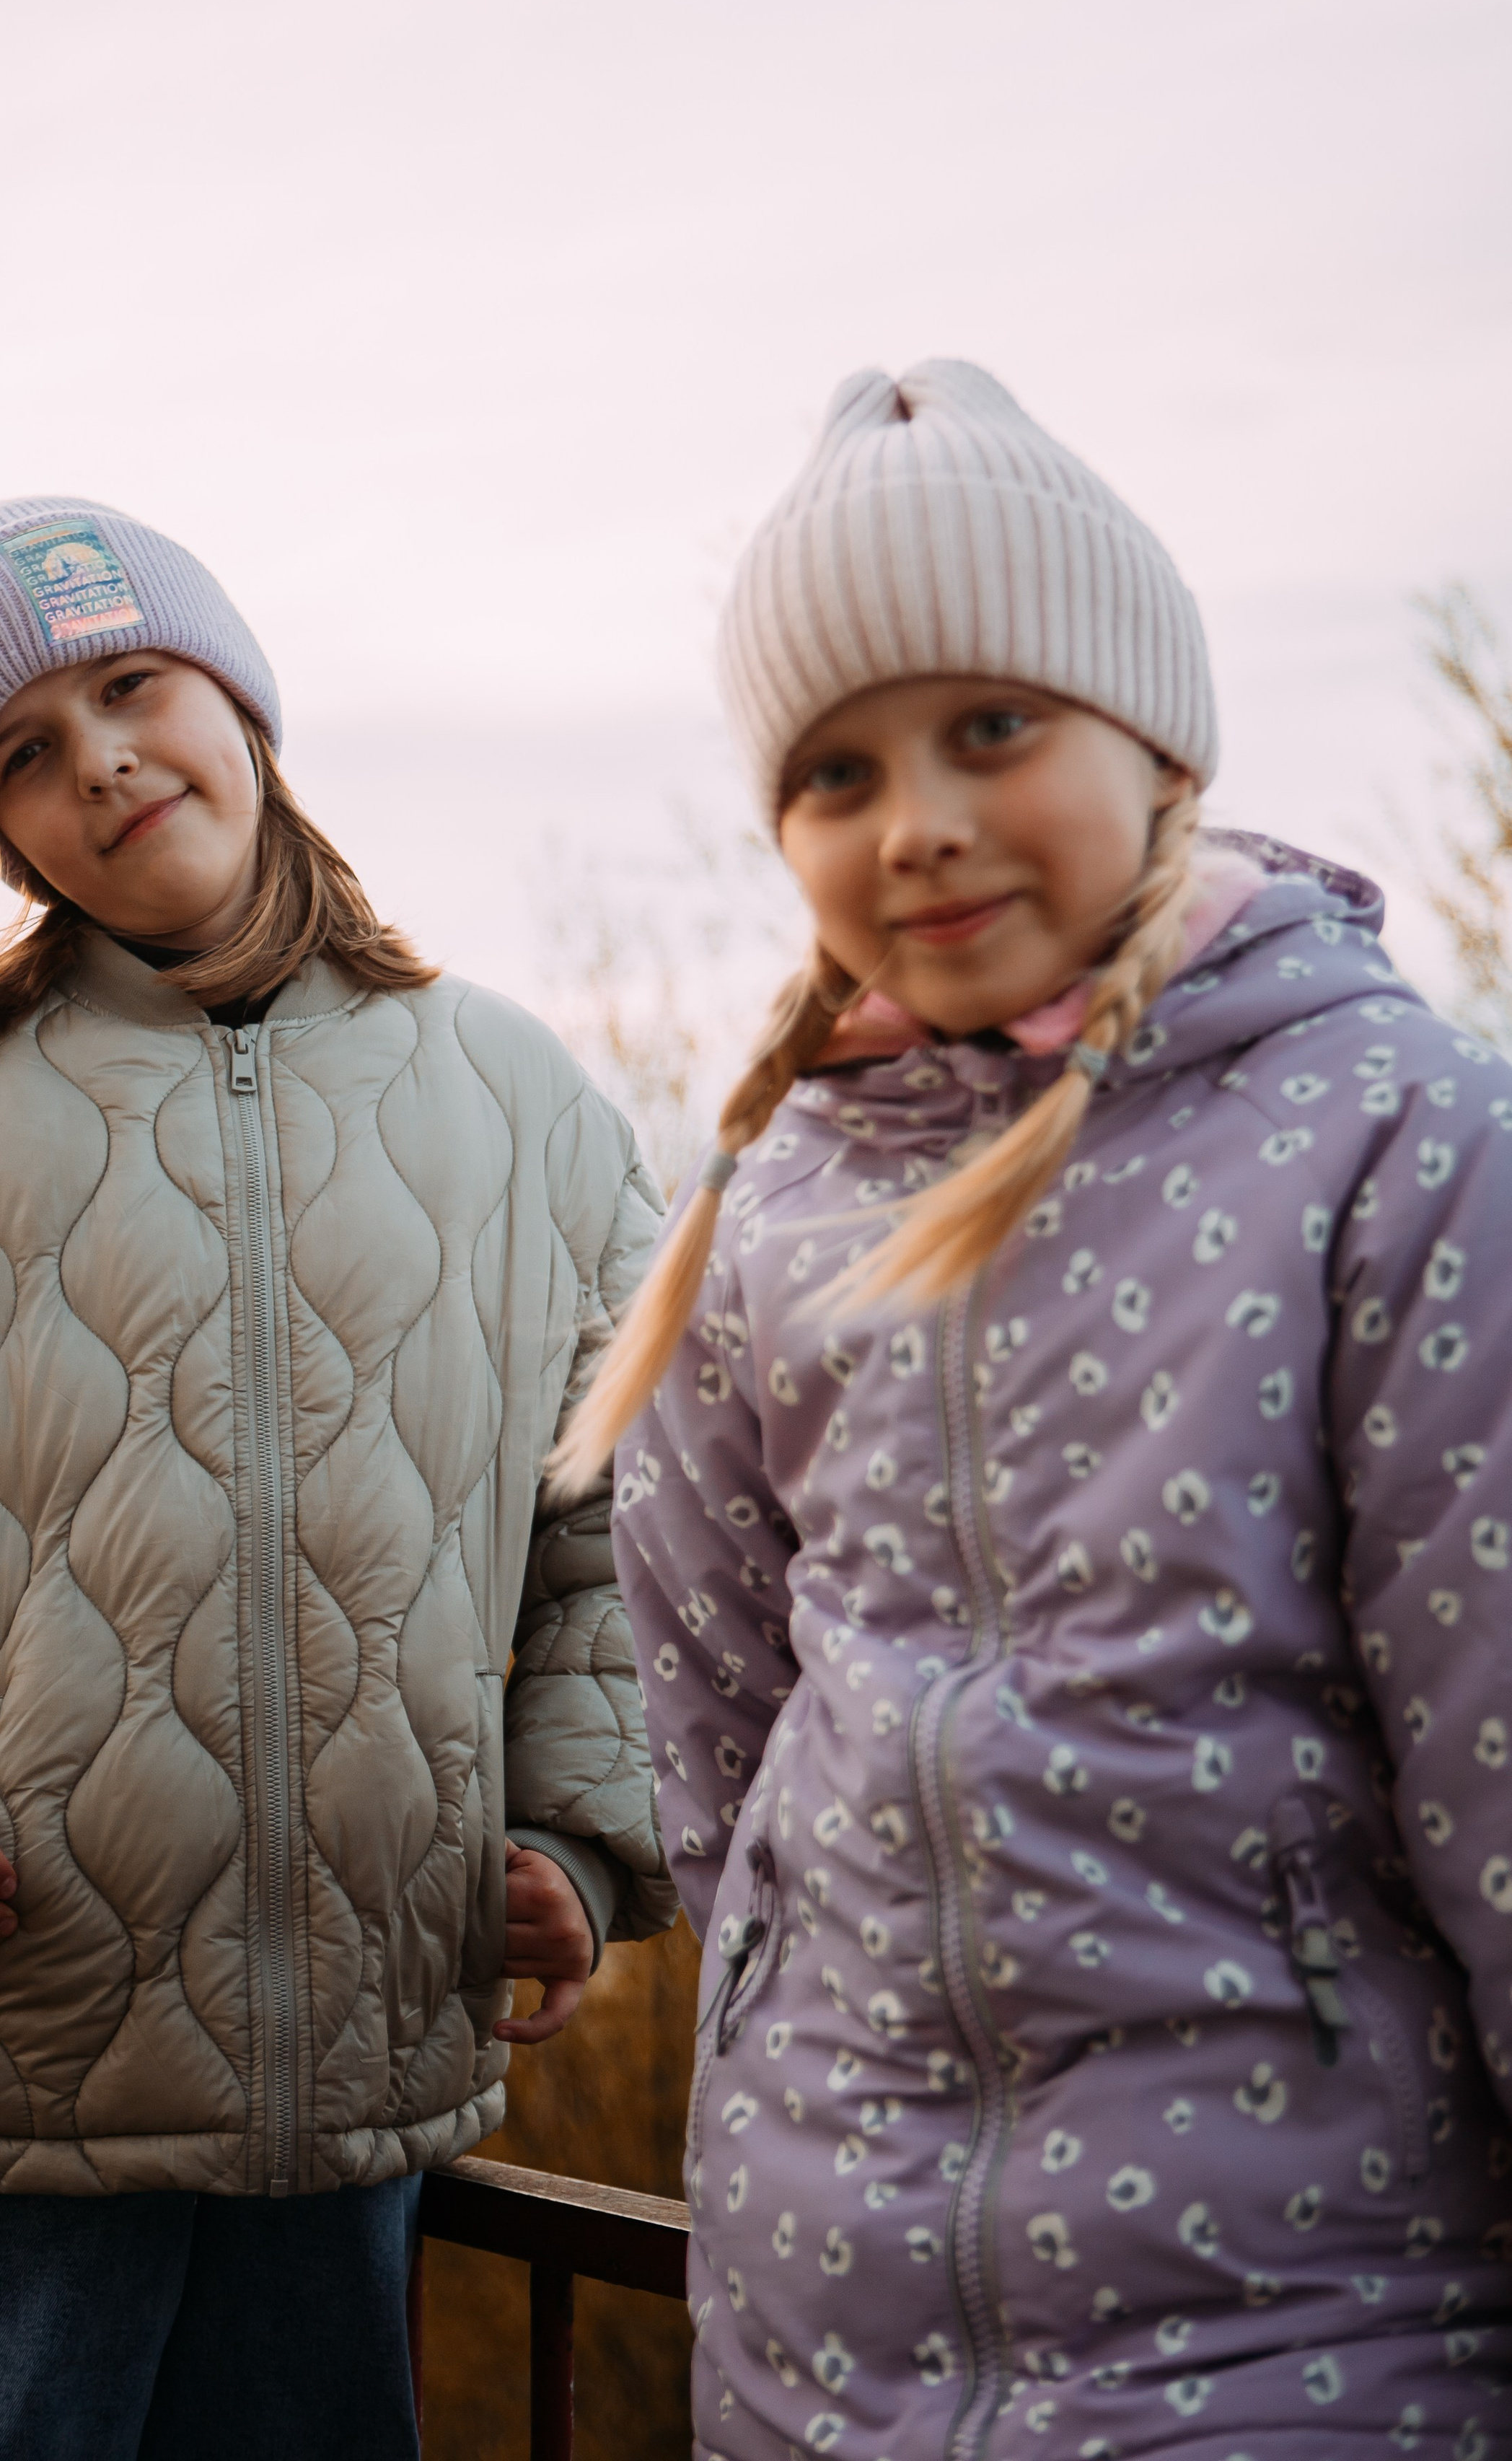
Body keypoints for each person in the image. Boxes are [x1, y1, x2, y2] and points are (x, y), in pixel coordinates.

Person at [551, 364, 1512, 2460]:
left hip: (1303, 2333)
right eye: (835, 770)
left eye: (991, 726)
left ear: (1152, 741)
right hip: (815, 2341)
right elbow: (723, 1752)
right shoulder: (768, 1214)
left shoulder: (1403, 1142)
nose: (915, 821)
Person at [0, 497, 673, 2461]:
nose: (103, 760)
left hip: (359, 2102)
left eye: (132, 684)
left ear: (242, 702)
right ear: (4, 839)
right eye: (23, 754)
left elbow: (631, 1522)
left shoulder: (524, 1103)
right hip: (2, 2081)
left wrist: (579, 1838)